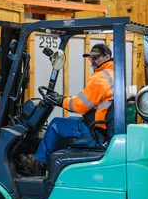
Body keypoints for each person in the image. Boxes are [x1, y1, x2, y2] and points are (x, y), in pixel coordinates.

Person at [20, 43, 114, 176]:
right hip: (102, 126)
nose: (92, 61)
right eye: (90, 58)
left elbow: (80, 105)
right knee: (68, 121)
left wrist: (62, 101)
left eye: (96, 57)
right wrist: (65, 98)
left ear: (107, 57)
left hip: (95, 130)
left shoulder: (99, 78)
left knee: (56, 124)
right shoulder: (113, 74)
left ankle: (38, 164)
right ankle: (51, 162)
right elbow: (89, 99)